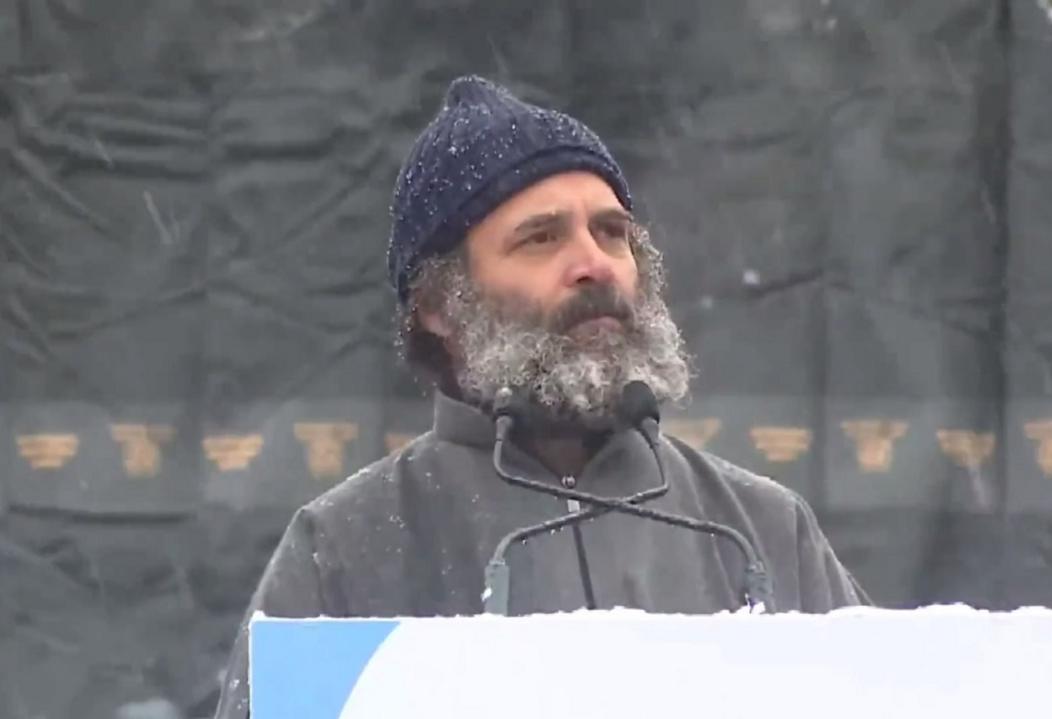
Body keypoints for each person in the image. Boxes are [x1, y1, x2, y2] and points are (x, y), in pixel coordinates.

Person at [213, 75, 861, 718]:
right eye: (541, 238)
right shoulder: (346, 546)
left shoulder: (763, 529)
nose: (595, 263)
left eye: (612, 233)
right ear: (440, 303)